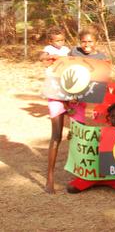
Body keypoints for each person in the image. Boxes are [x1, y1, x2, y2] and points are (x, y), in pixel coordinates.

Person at [43, 27, 85, 194]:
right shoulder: (48, 50)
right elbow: (42, 58)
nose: (60, 43)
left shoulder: (68, 50)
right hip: (56, 93)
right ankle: (50, 177)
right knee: (56, 136)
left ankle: (80, 175)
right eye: (57, 40)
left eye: (62, 39)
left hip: (71, 92)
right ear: (50, 41)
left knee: (78, 134)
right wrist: (51, 56)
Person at [66, 103, 115, 194]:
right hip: (94, 173)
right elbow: (85, 144)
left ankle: (104, 182)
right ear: (109, 117)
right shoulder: (101, 132)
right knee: (71, 189)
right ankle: (95, 182)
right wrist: (74, 137)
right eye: (112, 116)